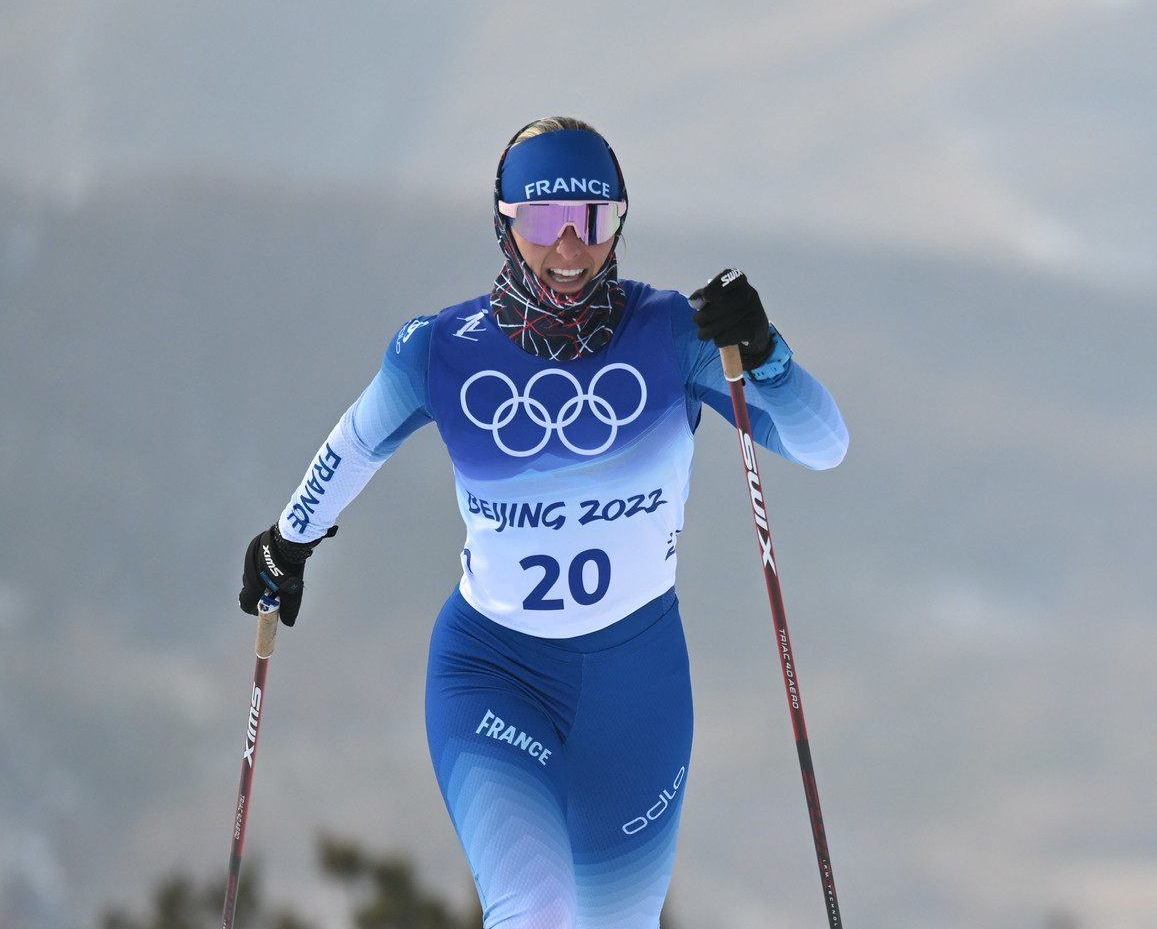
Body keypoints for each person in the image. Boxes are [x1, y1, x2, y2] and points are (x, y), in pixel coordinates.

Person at [237, 116, 848, 928]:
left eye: (591, 221)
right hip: (493, 673)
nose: (569, 249)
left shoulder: (675, 335)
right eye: (541, 221)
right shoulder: (438, 352)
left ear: (618, 222)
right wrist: (289, 541)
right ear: (504, 224)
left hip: (639, 691)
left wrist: (767, 352)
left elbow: (824, 446)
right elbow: (353, 448)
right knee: (535, 909)